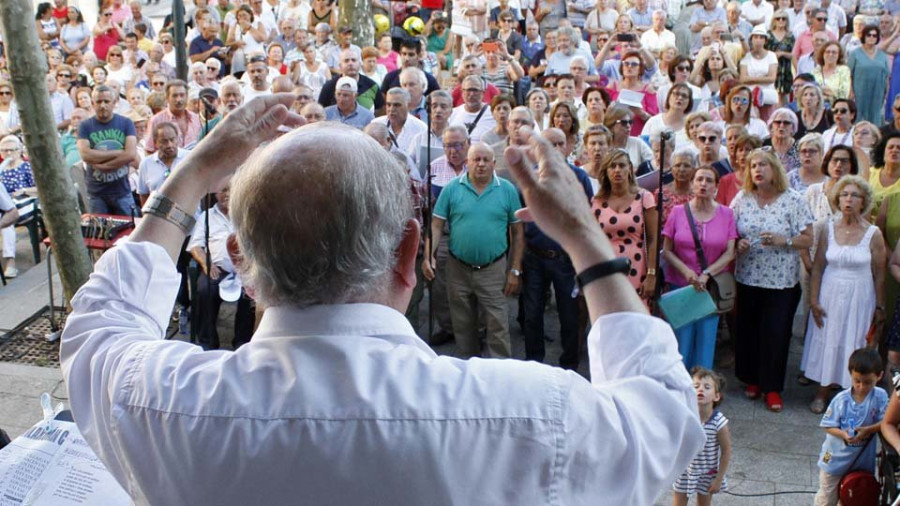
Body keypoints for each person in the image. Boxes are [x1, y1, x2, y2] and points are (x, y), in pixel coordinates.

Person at [58, 92, 706, 504]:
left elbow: (99, 322)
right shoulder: (532, 411)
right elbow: (665, 418)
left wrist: (195, 171)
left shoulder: (156, 399)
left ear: (241, 265)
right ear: (409, 254)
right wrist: (588, 240)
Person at [423, 142, 523, 358]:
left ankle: (501, 373)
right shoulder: (451, 188)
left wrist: (514, 270)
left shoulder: (507, 190)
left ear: (494, 164)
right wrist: (428, 256)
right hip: (457, 268)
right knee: (463, 325)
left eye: (486, 160)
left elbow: (518, 233)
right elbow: (436, 225)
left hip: (493, 269)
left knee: (498, 326)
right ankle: (468, 370)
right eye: (476, 159)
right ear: (467, 162)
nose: (481, 164)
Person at [732, 148, 814, 412]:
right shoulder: (742, 198)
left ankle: (772, 388)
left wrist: (785, 241)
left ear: (775, 169)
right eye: (753, 165)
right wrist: (739, 243)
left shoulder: (794, 199)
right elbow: (729, 230)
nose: (757, 170)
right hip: (748, 277)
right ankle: (752, 380)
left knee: (776, 334)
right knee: (749, 331)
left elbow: (808, 238)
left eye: (763, 165)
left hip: (781, 282)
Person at [804, 176, 885, 413]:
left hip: (860, 296)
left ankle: (853, 394)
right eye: (844, 195)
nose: (848, 199)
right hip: (830, 293)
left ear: (864, 201)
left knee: (856, 340)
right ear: (838, 199)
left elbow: (879, 275)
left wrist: (880, 308)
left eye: (854, 195)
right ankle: (822, 390)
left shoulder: (873, 233)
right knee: (829, 337)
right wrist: (813, 299)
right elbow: (818, 267)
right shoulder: (828, 229)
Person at [520, 127, 594, 370]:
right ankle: (534, 365)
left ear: (568, 147)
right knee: (532, 315)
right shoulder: (529, 177)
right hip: (534, 256)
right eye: (549, 144)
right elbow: (518, 223)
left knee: (569, 317)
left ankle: (569, 366)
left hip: (566, 258)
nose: (555, 149)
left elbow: (587, 218)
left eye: (560, 143)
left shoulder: (579, 178)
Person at [662, 167, 738, 370]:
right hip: (681, 285)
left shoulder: (727, 214)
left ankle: (702, 391)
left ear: (716, 185)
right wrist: (686, 272)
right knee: (681, 342)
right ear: (693, 183)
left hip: (709, 288)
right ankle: (678, 389)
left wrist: (706, 274)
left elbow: (730, 252)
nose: (703, 184)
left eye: (709, 180)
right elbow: (666, 250)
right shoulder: (678, 212)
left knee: (706, 341)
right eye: (699, 179)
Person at [814, 348, 888, 505]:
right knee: (827, 496)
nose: (861, 387)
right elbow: (828, 426)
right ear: (851, 375)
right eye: (857, 381)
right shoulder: (841, 400)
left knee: (853, 498)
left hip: (861, 461)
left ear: (879, 376)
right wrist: (842, 434)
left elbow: (886, 422)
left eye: (868, 382)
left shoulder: (880, 396)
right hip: (833, 457)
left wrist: (868, 430)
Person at [592, 149, 659, 304]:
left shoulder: (644, 197)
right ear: (606, 171)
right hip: (606, 269)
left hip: (637, 267)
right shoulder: (597, 201)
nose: (617, 170)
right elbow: (592, 241)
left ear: (630, 168)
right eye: (612, 166)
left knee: (636, 319)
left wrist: (651, 274)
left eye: (622, 165)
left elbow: (653, 238)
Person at [672, 367, 732, 506]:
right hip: (684, 470)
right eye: (696, 386)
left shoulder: (719, 423)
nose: (701, 389)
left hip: (707, 473)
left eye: (707, 387)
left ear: (716, 396)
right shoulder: (685, 417)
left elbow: (726, 451)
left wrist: (718, 479)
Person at [76, 85, 138, 216]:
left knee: (130, 231)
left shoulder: (126, 123)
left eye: (107, 101)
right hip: (97, 194)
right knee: (99, 233)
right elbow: (86, 154)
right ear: (93, 103)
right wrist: (118, 152)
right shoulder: (85, 126)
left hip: (122, 191)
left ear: (114, 103)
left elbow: (130, 154)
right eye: (98, 102)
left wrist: (103, 165)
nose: (103, 105)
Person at [136, 122, 189, 205]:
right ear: (155, 143)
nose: (169, 145)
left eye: (172, 139)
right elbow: (143, 195)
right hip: (158, 215)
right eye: (164, 141)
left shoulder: (190, 158)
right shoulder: (146, 164)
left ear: (178, 139)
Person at [145, 80, 202, 153]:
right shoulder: (156, 120)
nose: (179, 99)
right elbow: (149, 150)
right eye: (175, 96)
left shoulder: (196, 119)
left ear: (187, 97)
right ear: (167, 98)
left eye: (182, 95)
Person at [848, 25, 889, 125]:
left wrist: (886, 93)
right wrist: (851, 92)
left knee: (876, 119)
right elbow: (849, 75)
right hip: (860, 92)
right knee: (859, 118)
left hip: (877, 92)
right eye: (869, 35)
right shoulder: (855, 53)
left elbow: (886, 76)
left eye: (874, 35)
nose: (871, 37)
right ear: (864, 36)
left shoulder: (882, 55)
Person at [767, 10, 796, 104]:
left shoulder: (790, 36)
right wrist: (772, 55)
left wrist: (783, 54)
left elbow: (794, 54)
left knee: (784, 98)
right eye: (778, 18)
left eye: (783, 19)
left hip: (785, 69)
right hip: (771, 68)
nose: (781, 21)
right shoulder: (768, 35)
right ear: (774, 20)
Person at [766, 107, 801, 174]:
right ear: (771, 126)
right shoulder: (763, 145)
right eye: (778, 122)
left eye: (786, 123)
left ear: (793, 128)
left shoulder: (799, 147)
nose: (781, 126)